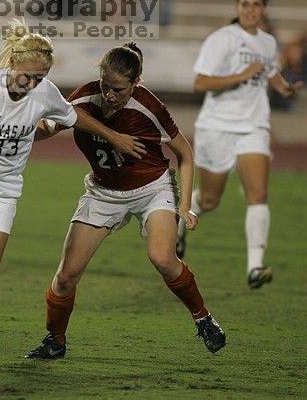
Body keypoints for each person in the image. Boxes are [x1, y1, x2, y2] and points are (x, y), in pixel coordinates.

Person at [0, 18, 147, 360]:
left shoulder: (44, 93)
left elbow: (73, 117)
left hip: (3, 189)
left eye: (40, 78)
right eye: (26, 76)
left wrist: (113, 137)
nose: (32, 84)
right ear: (11, 63)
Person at [24, 42, 225, 359]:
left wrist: (184, 205)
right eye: (105, 85)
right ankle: (55, 341)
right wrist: (18, 128)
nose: (109, 95)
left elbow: (185, 154)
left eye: (118, 89)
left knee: (162, 258)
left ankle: (203, 318)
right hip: (103, 192)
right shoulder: (86, 96)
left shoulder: (149, 107)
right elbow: (49, 128)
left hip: (152, 189)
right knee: (65, 276)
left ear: (136, 83)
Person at [175, 0, 302, 289]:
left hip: (254, 126)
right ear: (237, 8)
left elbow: (270, 71)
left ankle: (255, 267)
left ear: (264, 9)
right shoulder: (222, 40)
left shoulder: (269, 42)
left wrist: (284, 88)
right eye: (245, 4)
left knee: (258, 194)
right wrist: (241, 75)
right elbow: (201, 83)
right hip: (217, 126)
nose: (250, 10)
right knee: (209, 199)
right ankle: (180, 222)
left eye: (256, 5)